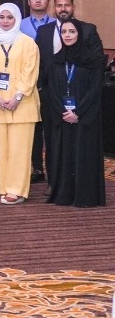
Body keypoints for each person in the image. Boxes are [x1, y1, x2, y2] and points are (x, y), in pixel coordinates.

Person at [33, 0, 103, 189]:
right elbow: (39, 63)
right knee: (54, 141)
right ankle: (54, 183)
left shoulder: (88, 29)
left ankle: (81, 184)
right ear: (53, 8)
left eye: (67, 5)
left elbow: (97, 61)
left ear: (73, 7)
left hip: (81, 96)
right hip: (52, 96)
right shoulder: (44, 31)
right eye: (59, 5)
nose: (63, 8)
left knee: (80, 142)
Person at [0, 3, 40, 205]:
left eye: (10, 17)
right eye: (2, 17)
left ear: (17, 19)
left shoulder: (28, 43)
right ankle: (5, 187)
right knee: (3, 149)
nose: (5, 21)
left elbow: (30, 72)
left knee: (20, 149)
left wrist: (18, 96)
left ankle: (17, 190)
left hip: (22, 103)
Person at [44, 19, 106, 207]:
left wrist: (78, 112)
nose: (67, 35)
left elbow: (94, 90)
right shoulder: (56, 60)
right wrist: (63, 112)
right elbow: (52, 89)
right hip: (62, 117)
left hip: (84, 117)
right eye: (64, 32)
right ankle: (64, 195)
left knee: (83, 155)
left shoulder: (91, 60)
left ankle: (84, 197)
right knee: (64, 156)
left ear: (79, 34)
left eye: (72, 31)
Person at [19, 0, 54, 184]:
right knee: (33, 128)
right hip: (26, 82)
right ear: (29, 1)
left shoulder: (57, 24)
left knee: (50, 127)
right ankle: (36, 168)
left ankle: (53, 168)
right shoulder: (19, 25)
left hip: (50, 83)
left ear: (48, 1)